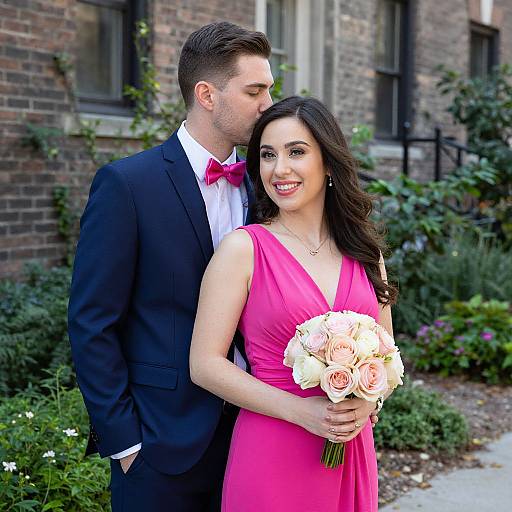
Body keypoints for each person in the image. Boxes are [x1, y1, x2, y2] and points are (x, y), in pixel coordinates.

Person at [68, 22, 275, 511]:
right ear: (207, 94)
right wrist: (126, 443)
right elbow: (92, 322)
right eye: (255, 90)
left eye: (270, 89)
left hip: (253, 434)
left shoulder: (264, 186)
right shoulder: (127, 185)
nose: (268, 104)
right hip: (158, 446)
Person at [189, 96, 398, 511]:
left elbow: (387, 354)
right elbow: (205, 364)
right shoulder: (243, 249)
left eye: (296, 152)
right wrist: (301, 411)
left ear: (329, 163)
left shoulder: (364, 252)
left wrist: (367, 401)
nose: (279, 169)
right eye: (267, 155)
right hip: (272, 448)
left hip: (350, 450)